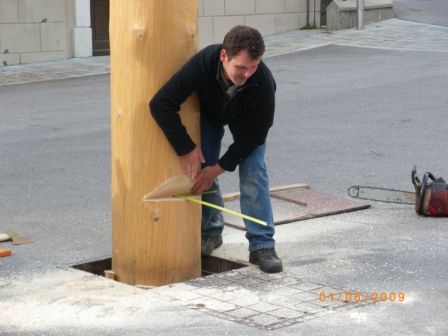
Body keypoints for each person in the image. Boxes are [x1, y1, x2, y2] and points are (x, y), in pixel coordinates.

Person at [149, 25, 283, 273]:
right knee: (202, 166)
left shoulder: (262, 83)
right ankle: (211, 231)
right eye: (240, 67)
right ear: (224, 56)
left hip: (247, 120)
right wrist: (186, 148)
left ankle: (262, 245)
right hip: (211, 112)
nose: (247, 74)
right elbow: (160, 104)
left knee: (254, 170)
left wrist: (220, 168)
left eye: (253, 67)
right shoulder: (204, 63)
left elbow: (254, 136)